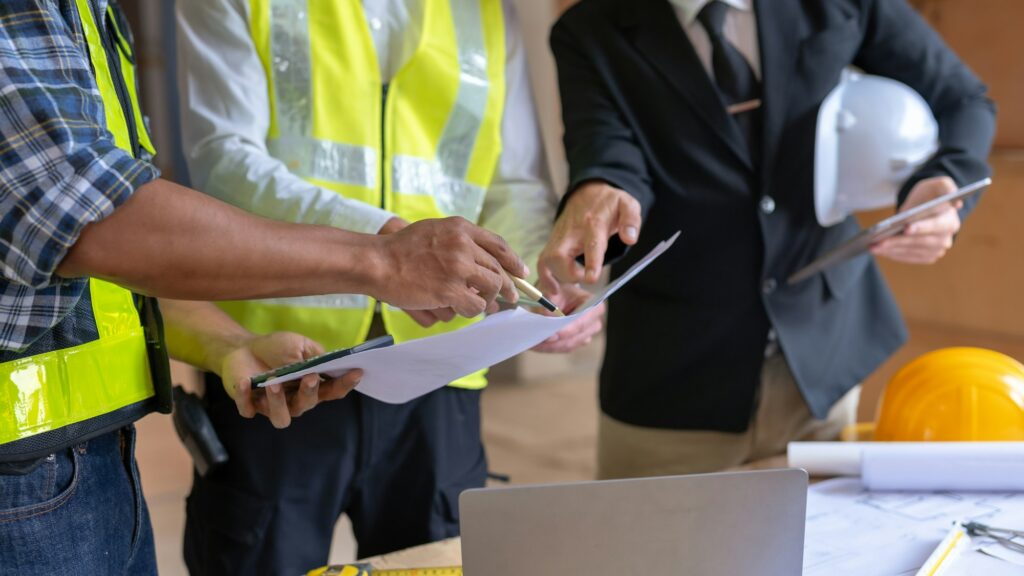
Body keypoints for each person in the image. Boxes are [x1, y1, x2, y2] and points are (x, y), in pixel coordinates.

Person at [0, 1, 529, 574]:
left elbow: (92, 270)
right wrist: (382, 259)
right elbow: (85, 216)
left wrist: (224, 342)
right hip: (22, 478)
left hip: (99, 456)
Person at [175, 0, 605, 572]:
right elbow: (224, 163)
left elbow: (513, 182)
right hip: (281, 368)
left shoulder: (484, 11)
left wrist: (537, 290)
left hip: (442, 367)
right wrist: (390, 249)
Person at [539, 0, 996, 479]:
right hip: (673, 377)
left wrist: (946, 188)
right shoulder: (587, 30)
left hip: (823, 360)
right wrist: (600, 188)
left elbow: (963, 100)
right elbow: (606, 148)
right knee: (647, 550)